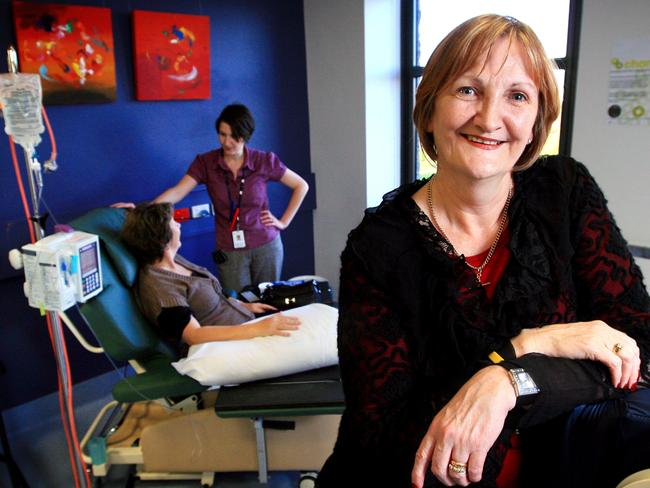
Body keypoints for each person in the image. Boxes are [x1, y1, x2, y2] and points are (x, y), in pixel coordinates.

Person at [316, 14, 650, 488]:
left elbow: (639, 351)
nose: (489, 118)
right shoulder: (377, 247)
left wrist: (510, 381)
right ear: (430, 109)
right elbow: (382, 431)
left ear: (537, 120)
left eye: (517, 96)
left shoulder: (565, 194)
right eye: (468, 90)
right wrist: (527, 346)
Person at [114, 103, 309, 293]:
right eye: (222, 134)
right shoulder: (205, 163)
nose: (226, 142)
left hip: (266, 245)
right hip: (229, 249)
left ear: (245, 137)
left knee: (269, 301)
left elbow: (301, 185)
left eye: (234, 137)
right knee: (237, 305)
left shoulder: (263, 161)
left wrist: (283, 222)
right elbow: (178, 191)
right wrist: (142, 209)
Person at [120, 202, 301, 357]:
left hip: (244, 322)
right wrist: (259, 329)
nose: (179, 226)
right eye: (174, 222)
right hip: (223, 348)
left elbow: (213, 296)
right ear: (161, 236)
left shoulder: (172, 260)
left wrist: (243, 306)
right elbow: (194, 335)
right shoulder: (161, 289)